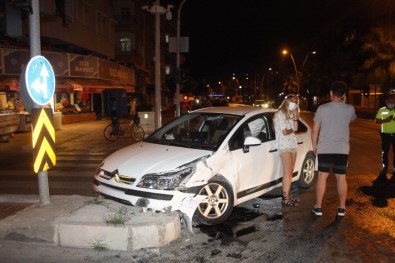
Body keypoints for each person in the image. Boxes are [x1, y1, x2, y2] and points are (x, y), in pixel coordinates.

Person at [311, 81, 356, 217]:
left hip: (324, 148)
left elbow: (314, 130)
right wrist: (345, 103)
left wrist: (314, 146)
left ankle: (318, 207)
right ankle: (341, 208)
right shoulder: (350, 109)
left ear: (331, 93)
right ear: (343, 94)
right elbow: (353, 120)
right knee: (341, 177)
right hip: (342, 149)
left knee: (322, 176)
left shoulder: (322, 109)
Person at [274, 94, 300, 207]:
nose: (294, 103)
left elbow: (296, 128)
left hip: (293, 144)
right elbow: (285, 132)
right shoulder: (279, 114)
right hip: (284, 145)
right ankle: (285, 197)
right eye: (292, 101)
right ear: (287, 101)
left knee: (291, 171)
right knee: (287, 172)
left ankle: (288, 196)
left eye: (296, 101)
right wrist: (291, 130)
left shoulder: (292, 114)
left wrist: (295, 117)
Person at [375, 90, 395, 182]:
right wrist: (385, 120)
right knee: (385, 152)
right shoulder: (382, 110)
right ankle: (385, 168)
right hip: (385, 134)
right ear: (387, 101)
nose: (391, 103)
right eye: (390, 102)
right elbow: (377, 121)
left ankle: (394, 168)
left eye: (393, 102)